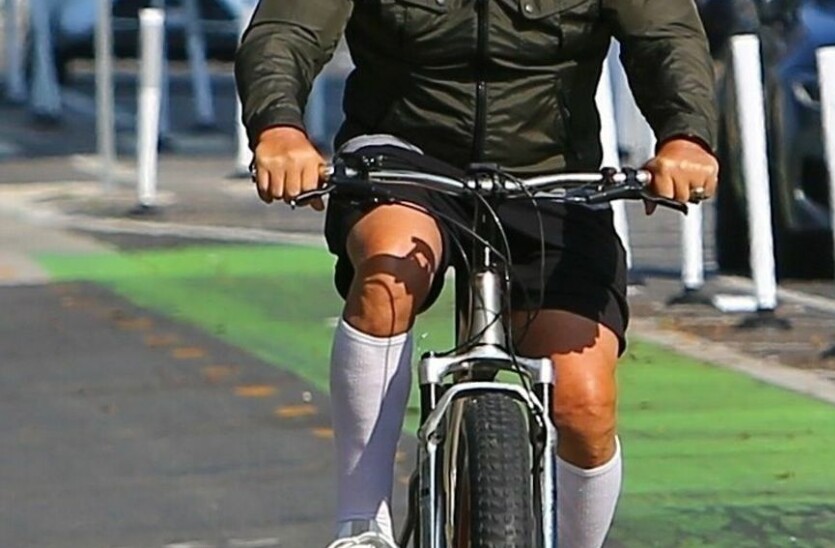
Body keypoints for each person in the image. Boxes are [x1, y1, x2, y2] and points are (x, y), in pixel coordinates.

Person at [235, 0, 718, 545]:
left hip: (552, 172)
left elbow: (667, 38)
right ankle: (361, 524)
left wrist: (686, 137)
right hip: (404, 156)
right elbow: (286, 30)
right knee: (389, 271)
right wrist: (279, 127)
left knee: (583, 402)